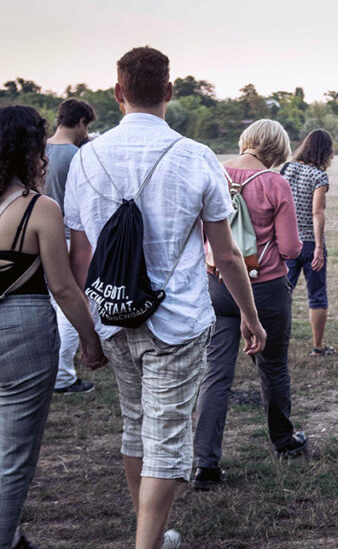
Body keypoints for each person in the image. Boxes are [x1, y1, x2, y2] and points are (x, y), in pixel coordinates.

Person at [65, 47, 266, 549]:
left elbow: (81, 256)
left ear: (117, 93)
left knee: (136, 427)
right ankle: (148, 542)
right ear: (170, 93)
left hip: (113, 316)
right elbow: (226, 252)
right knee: (169, 436)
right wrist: (249, 315)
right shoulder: (196, 156)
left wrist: (91, 330)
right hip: (176, 318)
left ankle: (147, 526)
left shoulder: (87, 157)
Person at [0, 105, 106, 549]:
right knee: (15, 453)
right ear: (30, 152)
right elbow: (63, 289)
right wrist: (90, 339)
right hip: (22, 323)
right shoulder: (38, 209)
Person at [193, 120, 306, 491]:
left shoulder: (215, 172)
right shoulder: (276, 183)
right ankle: (283, 440)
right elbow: (289, 248)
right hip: (266, 286)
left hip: (219, 284)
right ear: (278, 148)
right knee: (273, 367)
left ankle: (205, 463)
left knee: (216, 373)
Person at [45, 97, 99, 395]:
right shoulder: (77, 157)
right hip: (67, 237)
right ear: (81, 122)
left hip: (34, 239)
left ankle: (50, 372)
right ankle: (63, 377)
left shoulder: (37, 151)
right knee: (70, 306)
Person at [282, 129, 335, 356]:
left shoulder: (286, 169)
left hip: (286, 240)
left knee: (282, 293)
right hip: (310, 243)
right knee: (317, 294)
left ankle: (272, 342)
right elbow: (317, 213)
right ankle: (318, 346)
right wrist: (319, 248)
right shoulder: (319, 176)